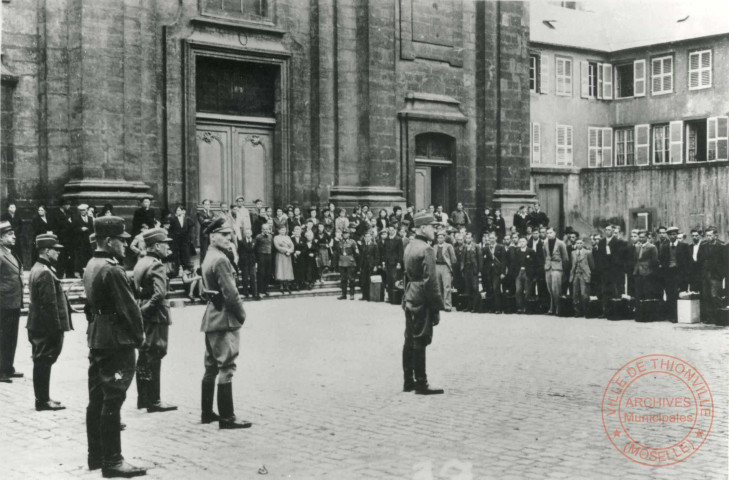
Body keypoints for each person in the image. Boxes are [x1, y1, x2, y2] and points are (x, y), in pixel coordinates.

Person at [83, 216, 147, 476]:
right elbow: (129, 309)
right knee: (113, 397)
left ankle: (96, 455)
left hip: (98, 335)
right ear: (108, 241)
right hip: (116, 340)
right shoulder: (113, 269)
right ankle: (113, 461)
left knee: (97, 397)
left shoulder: (92, 263)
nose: (125, 244)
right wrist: (141, 339)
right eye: (121, 240)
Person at [199, 218, 251, 429]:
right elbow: (231, 293)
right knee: (226, 366)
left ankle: (207, 413)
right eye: (224, 234)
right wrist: (242, 314)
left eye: (230, 234)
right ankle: (227, 417)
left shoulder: (209, 256)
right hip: (224, 318)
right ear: (213, 236)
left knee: (211, 366)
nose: (230, 239)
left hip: (212, 316)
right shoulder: (220, 260)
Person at [133, 228, 178, 414]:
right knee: (155, 354)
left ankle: (143, 398)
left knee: (144, 355)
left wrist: (141, 310)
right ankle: (154, 400)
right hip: (156, 315)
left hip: (143, 309)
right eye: (165, 244)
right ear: (157, 246)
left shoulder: (141, 262)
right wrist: (147, 310)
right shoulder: (157, 265)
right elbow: (160, 294)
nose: (168, 247)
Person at [27, 233, 72, 410]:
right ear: (46, 251)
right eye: (55, 250)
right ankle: (42, 400)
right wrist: (55, 329)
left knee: (41, 360)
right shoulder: (44, 272)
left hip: (37, 323)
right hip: (46, 326)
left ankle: (43, 398)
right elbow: (49, 304)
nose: (58, 253)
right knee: (44, 360)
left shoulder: (38, 268)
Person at [402, 211, 444, 395]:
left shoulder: (409, 245)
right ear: (422, 228)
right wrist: (436, 308)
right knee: (420, 339)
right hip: (421, 297)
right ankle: (421, 383)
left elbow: (406, 275)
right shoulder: (426, 249)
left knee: (409, 338)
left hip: (410, 294)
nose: (436, 230)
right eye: (433, 227)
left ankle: (408, 381)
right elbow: (431, 282)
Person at [0, 221, 24, 382]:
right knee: (3, 337)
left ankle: (8, 367)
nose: (14, 237)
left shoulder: (10, 252)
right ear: (0, 238)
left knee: (11, 337)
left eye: (13, 234)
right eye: (9, 234)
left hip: (13, 302)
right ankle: (1, 371)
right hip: (3, 303)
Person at [594, 225, 627, 316]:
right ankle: (605, 311)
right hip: (604, 271)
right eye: (606, 230)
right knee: (605, 291)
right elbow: (599, 256)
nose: (607, 231)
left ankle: (616, 311)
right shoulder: (601, 242)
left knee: (616, 290)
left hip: (615, 271)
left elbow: (620, 257)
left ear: (613, 231)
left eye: (609, 230)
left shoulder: (619, 242)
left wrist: (610, 255)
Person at [697, 227, 725, 324]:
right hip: (705, 274)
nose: (708, 237)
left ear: (715, 235)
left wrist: (720, 274)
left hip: (715, 275)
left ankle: (719, 317)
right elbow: (699, 259)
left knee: (715, 296)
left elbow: (724, 262)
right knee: (706, 295)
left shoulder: (721, 246)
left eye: (710, 235)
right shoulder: (703, 245)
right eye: (707, 235)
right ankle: (709, 317)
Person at [543, 227, 569, 315]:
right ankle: (551, 309)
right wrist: (546, 264)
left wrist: (565, 270)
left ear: (555, 233)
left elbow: (565, 258)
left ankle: (558, 309)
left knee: (556, 289)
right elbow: (545, 255)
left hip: (557, 268)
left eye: (550, 233)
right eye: (547, 233)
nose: (548, 234)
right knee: (550, 289)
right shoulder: (545, 243)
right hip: (548, 267)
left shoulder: (561, 243)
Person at [659, 226, 682, 321]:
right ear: (668, 236)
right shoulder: (664, 247)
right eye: (671, 234)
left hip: (679, 273)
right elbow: (662, 260)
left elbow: (688, 262)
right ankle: (671, 315)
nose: (673, 236)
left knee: (678, 294)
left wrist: (685, 276)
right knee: (669, 294)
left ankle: (679, 315)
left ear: (677, 235)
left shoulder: (683, 246)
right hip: (668, 274)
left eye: (674, 234)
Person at [482, 232, 507, 314]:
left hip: (497, 271)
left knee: (496, 288)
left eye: (493, 238)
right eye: (490, 238)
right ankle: (491, 307)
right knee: (490, 289)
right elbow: (484, 261)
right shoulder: (486, 248)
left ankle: (498, 308)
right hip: (489, 271)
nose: (491, 240)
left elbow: (503, 261)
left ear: (496, 238)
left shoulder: (501, 247)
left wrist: (503, 272)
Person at [570, 237, 594, 317]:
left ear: (583, 244)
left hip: (584, 274)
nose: (579, 245)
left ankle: (585, 310)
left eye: (580, 243)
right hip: (576, 274)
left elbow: (592, 265)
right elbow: (572, 264)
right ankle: (577, 311)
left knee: (584, 293)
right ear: (575, 244)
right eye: (577, 243)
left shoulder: (588, 252)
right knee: (575, 293)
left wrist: (588, 274)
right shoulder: (573, 253)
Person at [433, 231, 457, 312]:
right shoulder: (435, 247)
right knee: (438, 286)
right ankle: (440, 304)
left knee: (447, 286)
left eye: (442, 237)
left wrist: (451, 267)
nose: (440, 239)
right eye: (438, 237)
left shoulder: (448, 246)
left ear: (444, 238)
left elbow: (453, 258)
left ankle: (447, 305)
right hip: (437, 266)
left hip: (445, 266)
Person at [632, 231, 659, 301]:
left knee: (647, 292)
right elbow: (635, 259)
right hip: (637, 272)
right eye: (640, 237)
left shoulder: (652, 247)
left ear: (647, 237)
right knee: (638, 292)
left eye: (643, 237)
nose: (641, 239)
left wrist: (650, 270)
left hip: (647, 272)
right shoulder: (637, 247)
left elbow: (654, 261)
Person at [169, 205, 194, 275]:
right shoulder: (173, 219)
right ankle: (176, 270)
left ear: (183, 211)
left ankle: (186, 269)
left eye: (179, 210)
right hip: (176, 241)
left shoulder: (187, 219)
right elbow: (171, 230)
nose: (178, 212)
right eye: (177, 210)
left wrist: (189, 238)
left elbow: (190, 229)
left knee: (185, 255)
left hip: (185, 241)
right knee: (176, 255)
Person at [459, 232, 481, 312]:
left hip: (474, 269)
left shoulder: (476, 246)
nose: (467, 239)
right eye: (466, 238)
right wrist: (462, 269)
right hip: (466, 269)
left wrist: (479, 270)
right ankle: (469, 306)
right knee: (468, 288)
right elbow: (462, 259)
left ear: (472, 238)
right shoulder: (464, 247)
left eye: (469, 238)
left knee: (475, 288)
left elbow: (480, 259)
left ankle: (475, 307)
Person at [336, 228, 359, 300]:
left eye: (346, 233)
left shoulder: (352, 242)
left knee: (351, 279)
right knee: (343, 279)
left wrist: (353, 260)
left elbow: (356, 253)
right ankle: (344, 294)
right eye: (344, 233)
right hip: (342, 262)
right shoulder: (340, 242)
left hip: (350, 262)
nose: (345, 235)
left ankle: (352, 294)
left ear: (349, 234)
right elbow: (338, 252)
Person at [382, 225, 403, 302]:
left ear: (395, 230)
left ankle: (395, 298)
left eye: (392, 230)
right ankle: (390, 297)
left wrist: (399, 263)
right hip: (387, 262)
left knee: (394, 279)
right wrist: (383, 262)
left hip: (395, 262)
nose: (391, 231)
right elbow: (384, 252)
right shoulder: (386, 239)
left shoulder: (398, 239)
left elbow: (400, 252)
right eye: (389, 230)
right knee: (389, 279)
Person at [72, 204, 94, 276]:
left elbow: (93, 230)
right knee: (81, 258)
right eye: (81, 210)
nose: (82, 212)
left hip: (89, 242)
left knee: (89, 257)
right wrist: (80, 229)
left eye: (84, 210)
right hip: (81, 243)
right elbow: (73, 230)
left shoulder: (90, 219)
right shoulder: (76, 219)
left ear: (87, 210)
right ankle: (82, 274)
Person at [358, 231, 380, 301]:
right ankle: (364, 296)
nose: (367, 238)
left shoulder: (374, 245)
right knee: (363, 281)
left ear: (371, 237)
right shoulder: (363, 245)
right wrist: (360, 266)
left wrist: (375, 266)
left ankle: (370, 296)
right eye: (366, 237)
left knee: (369, 280)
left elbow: (377, 256)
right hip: (364, 265)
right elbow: (361, 256)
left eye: (368, 236)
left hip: (371, 265)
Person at [273, 225, 295, 294]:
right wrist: (286, 250)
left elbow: (292, 246)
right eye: (281, 230)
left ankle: (287, 285)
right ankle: (281, 285)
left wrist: (290, 251)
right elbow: (277, 246)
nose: (283, 231)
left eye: (284, 230)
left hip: (288, 256)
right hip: (280, 255)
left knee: (287, 269)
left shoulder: (288, 237)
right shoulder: (276, 237)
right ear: (278, 230)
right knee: (281, 269)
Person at [238, 228, 258, 299]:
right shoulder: (241, 242)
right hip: (245, 261)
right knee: (245, 277)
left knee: (253, 277)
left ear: (251, 233)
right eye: (246, 233)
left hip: (252, 261)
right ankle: (245, 292)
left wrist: (256, 262)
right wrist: (240, 263)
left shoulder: (254, 241)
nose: (248, 234)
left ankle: (254, 292)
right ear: (245, 234)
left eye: (249, 233)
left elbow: (256, 252)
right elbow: (239, 252)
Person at [255, 223, 273, 297]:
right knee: (261, 273)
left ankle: (265, 290)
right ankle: (260, 291)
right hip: (261, 255)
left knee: (268, 273)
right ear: (262, 229)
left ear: (269, 229)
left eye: (267, 229)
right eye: (264, 229)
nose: (266, 230)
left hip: (268, 255)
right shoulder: (258, 237)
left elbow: (271, 246)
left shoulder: (271, 236)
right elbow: (255, 247)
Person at [197, 199, 215, 263]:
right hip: (204, 233)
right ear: (203, 205)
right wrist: (210, 220)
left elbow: (214, 222)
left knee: (212, 250)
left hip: (211, 234)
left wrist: (207, 220)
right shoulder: (200, 213)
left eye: (208, 204)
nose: (207, 206)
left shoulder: (212, 213)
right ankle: (202, 267)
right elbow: (202, 222)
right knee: (203, 251)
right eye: (206, 204)